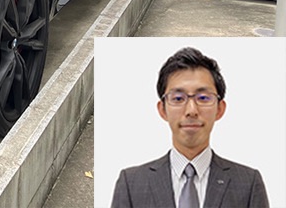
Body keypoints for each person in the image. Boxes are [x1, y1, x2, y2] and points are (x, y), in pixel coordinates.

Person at [110, 47, 269, 208]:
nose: (191, 110)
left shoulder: (248, 183)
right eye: (178, 98)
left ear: (220, 109)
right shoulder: (131, 184)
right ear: (162, 109)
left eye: (203, 98)